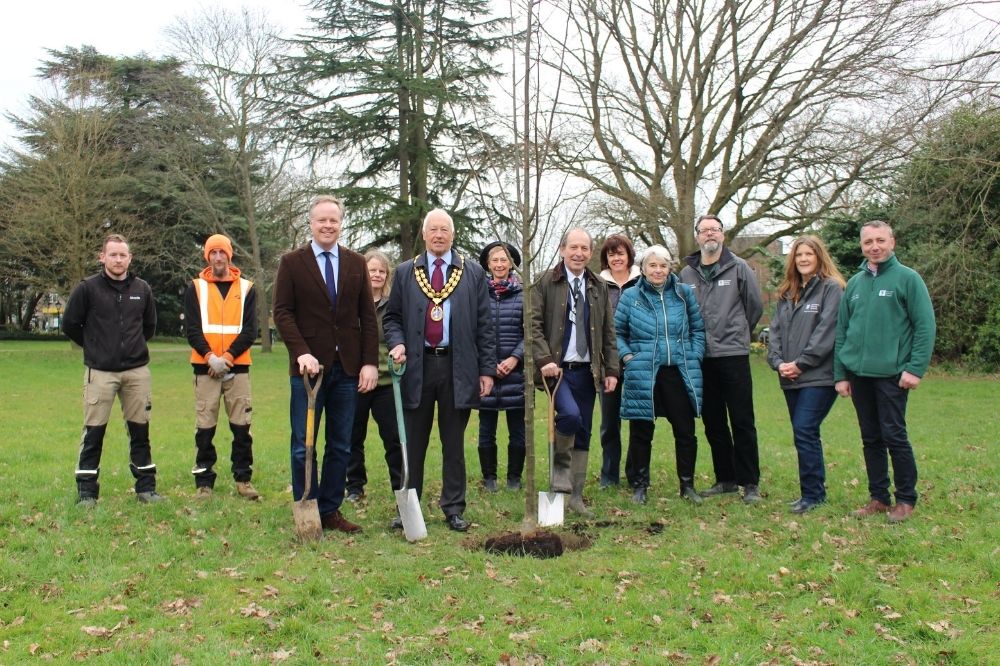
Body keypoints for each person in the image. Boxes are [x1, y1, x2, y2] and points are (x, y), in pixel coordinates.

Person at [383, 209, 496, 532]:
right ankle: (409, 507)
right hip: (417, 367)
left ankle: (454, 507)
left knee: (453, 443)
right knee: (414, 443)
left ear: (453, 234)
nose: (438, 235)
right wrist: (397, 342)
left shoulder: (472, 272)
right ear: (424, 234)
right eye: (433, 229)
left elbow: (485, 326)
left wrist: (486, 371)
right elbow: (392, 318)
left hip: (458, 368)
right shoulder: (406, 272)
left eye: (444, 230)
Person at [272, 195, 379, 534]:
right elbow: (282, 312)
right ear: (311, 223)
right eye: (322, 220)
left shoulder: (355, 262)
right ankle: (307, 504)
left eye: (333, 220)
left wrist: (369, 363)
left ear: (340, 223)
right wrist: (300, 351)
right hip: (308, 372)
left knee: (341, 444)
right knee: (304, 442)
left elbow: (367, 317)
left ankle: (331, 510)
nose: (328, 226)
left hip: (347, 369)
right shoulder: (292, 262)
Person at [834, 220, 935, 524]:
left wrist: (915, 369)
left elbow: (925, 327)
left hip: (893, 375)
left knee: (894, 435)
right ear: (861, 246)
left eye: (880, 240)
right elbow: (842, 332)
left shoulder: (908, 279)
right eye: (868, 242)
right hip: (859, 375)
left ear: (892, 242)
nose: (874, 247)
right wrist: (841, 374)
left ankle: (905, 499)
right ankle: (879, 497)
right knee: (870, 437)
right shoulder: (854, 284)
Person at [63, 233, 162, 505]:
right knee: (94, 431)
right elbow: (70, 324)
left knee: (140, 431)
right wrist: (94, 347)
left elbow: (149, 327)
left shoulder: (142, 289)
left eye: (123, 255)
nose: (118, 260)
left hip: (136, 373)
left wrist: (132, 347)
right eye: (113, 254)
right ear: (102, 257)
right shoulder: (87, 288)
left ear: (130, 258)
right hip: (101, 373)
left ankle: (146, 488)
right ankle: (86, 492)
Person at [530, 227, 619, 518]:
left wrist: (611, 369)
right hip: (557, 371)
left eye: (584, 249)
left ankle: (575, 497)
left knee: (584, 430)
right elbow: (532, 325)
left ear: (590, 253)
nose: (579, 253)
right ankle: (560, 471)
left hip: (588, 371)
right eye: (573, 248)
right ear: (562, 249)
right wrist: (543, 359)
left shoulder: (598, 286)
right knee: (568, 416)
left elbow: (608, 332)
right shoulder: (545, 281)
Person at [680, 214, 764, 504]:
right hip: (702, 357)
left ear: (723, 235)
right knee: (714, 422)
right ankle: (726, 478)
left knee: (742, 420)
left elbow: (754, 307)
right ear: (697, 237)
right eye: (704, 231)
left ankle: (750, 482)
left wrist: (737, 333)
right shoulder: (686, 274)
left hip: (733, 355)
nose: (709, 235)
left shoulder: (739, 268)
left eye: (714, 230)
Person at [616, 245, 705, 505]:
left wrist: (694, 354)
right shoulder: (630, 296)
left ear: (669, 268)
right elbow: (617, 333)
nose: (658, 270)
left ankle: (687, 485)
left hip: (678, 371)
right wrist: (628, 357)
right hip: (643, 371)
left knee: (685, 431)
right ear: (643, 268)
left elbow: (698, 329)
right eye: (652, 265)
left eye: (663, 265)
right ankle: (640, 485)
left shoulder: (683, 293)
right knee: (642, 431)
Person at [767, 235, 845, 514]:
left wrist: (801, 363)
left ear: (819, 257)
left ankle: (814, 494)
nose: (803, 259)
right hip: (789, 377)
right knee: (803, 433)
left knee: (805, 429)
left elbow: (827, 332)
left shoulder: (832, 289)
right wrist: (778, 362)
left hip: (819, 376)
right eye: (798, 254)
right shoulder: (788, 292)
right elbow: (774, 332)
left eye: (808, 254)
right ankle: (809, 493)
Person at [184, 234, 260, 501]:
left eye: (222, 253)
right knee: (205, 426)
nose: (218, 257)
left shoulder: (247, 288)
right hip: (205, 368)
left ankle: (243, 478)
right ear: (207, 256)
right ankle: (204, 481)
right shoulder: (196, 287)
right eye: (213, 253)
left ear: (230, 256)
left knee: (242, 426)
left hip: (237, 367)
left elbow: (251, 331)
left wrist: (226, 357)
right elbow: (191, 329)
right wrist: (209, 358)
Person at [344, 250, 404, 527]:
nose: (377, 275)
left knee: (393, 438)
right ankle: (354, 486)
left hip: (386, 382)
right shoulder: (351, 304)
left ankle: (401, 487)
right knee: (351, 437)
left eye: (382, 271)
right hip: (355, 381)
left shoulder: (393, 306)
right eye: (372, 271)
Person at [477, 241, 526, 492]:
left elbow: (531, 333)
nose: (499, 264)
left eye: (503, 260)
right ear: (487, 263)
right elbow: (472, 331)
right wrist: (486, 365)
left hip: (515, 372)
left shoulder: (523, 294)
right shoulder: (478, 294)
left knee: (518, 429)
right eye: (494, 260)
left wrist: (515, 358)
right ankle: (489, 478)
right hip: (487, 373)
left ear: (511, 263)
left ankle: (514, 479)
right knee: (487, 429)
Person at [597, 234, 640, 489]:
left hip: (637, 362)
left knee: (637, 421)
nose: (616, 258)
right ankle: (609, 475)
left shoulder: (640, 282)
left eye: (620, 253)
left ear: (629, 256)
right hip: (607, 365)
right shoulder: (598, 284)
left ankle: (635, 474)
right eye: (611, 254)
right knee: (609, 424)